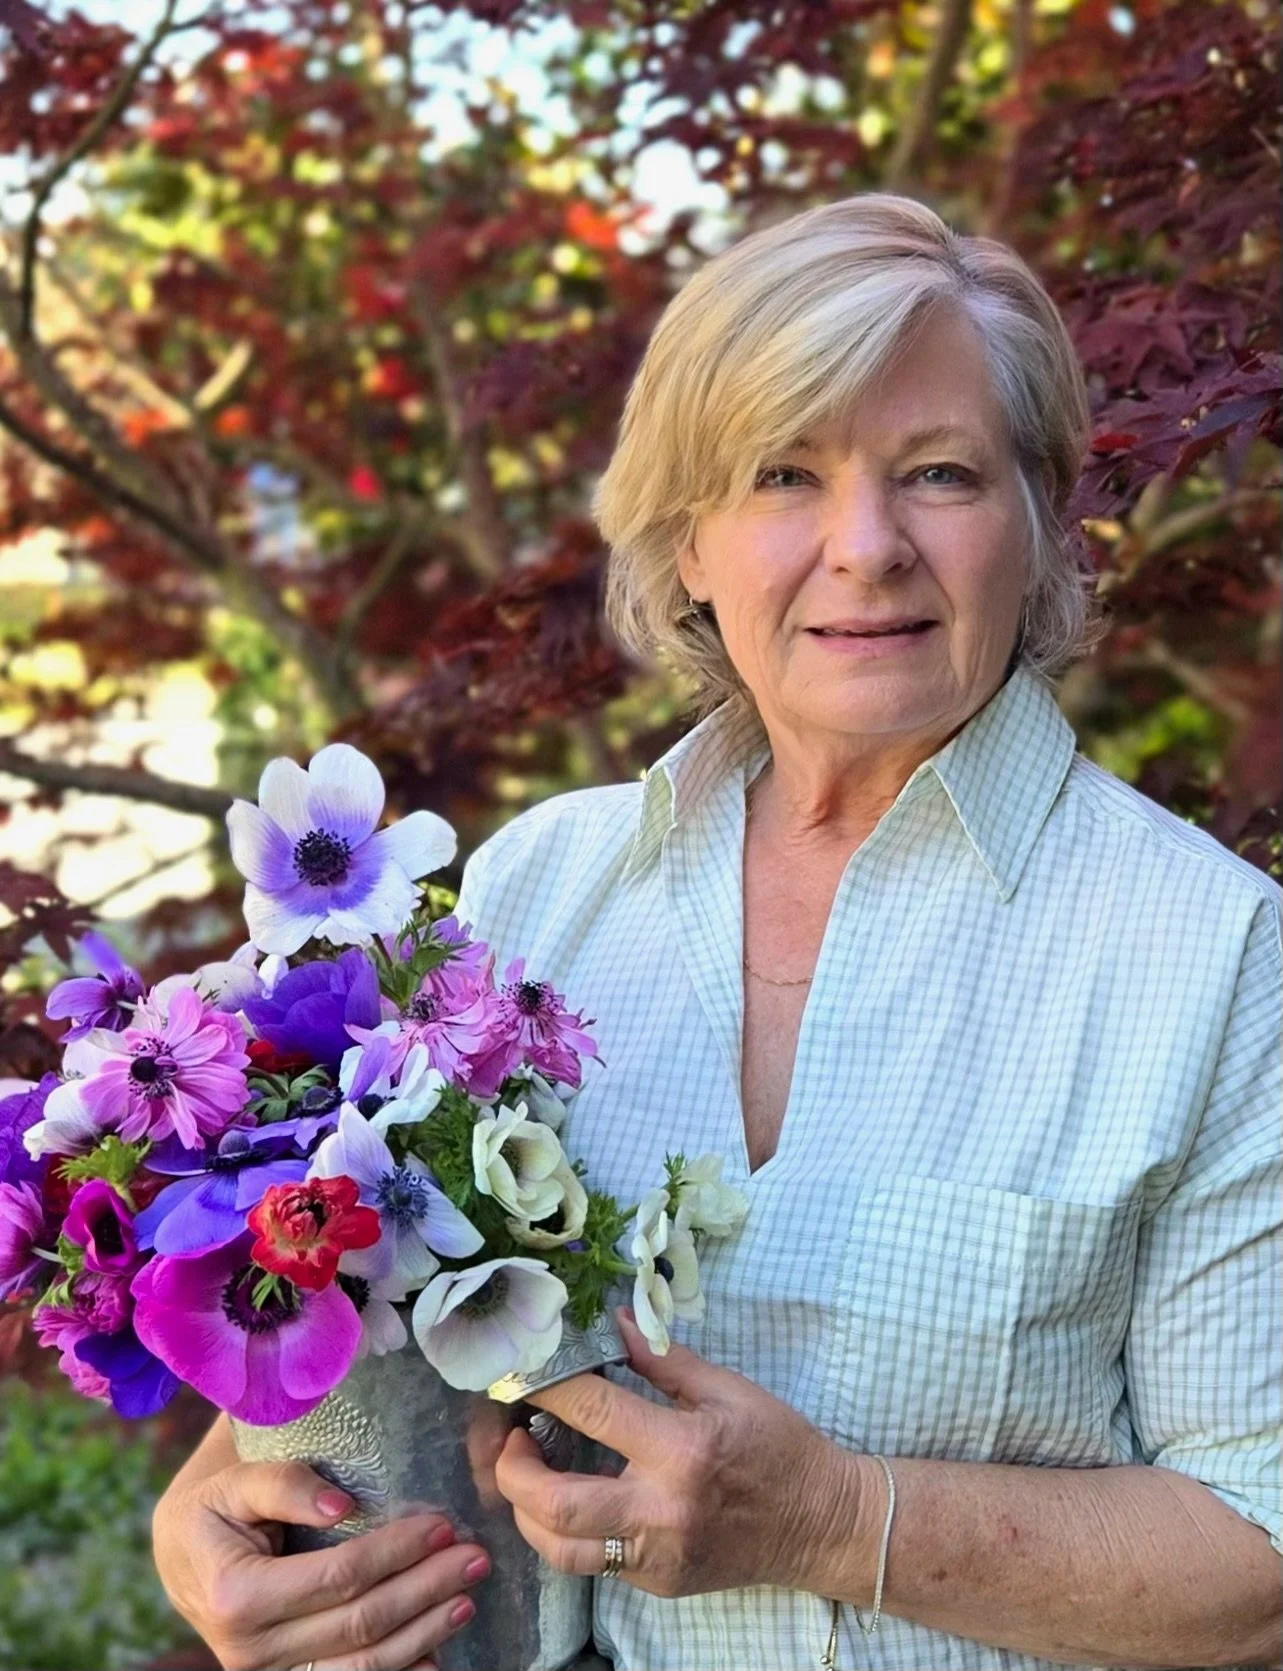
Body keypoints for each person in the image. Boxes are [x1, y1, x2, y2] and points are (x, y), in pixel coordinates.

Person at [152, 193, 1282, 1671]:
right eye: (781, 475)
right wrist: (206, 1516)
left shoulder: (1213, 955)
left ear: (1036, 515)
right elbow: (360, 1304)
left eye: (937, 472)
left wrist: (832, 1520)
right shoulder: (537, 891)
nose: (865, 547)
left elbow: (1262, 1557)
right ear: (688, 543)